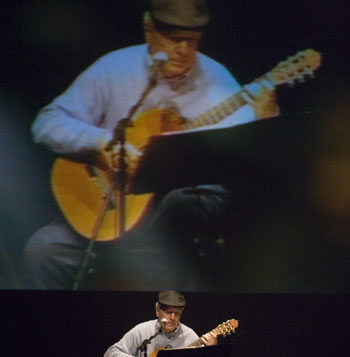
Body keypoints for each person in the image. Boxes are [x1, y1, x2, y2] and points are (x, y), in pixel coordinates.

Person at [23, 0, 279, 290]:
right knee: (43, 248)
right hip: (109, 206)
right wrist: (101, 143)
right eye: (173, 40)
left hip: (172, 226)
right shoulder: (115, 68)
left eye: (191, 41)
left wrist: (263, 118)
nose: (183, 50)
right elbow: (46, 123)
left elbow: (239, 157)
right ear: (149, 31)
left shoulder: (217, 80)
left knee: (186, 199)